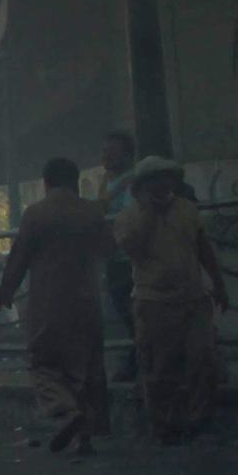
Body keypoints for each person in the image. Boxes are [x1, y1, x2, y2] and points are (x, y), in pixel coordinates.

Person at [0, 157, 112, 454]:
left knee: (42, 363)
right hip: (87, 300)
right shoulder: (92, 212)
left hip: (48, 303)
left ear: (46, 183)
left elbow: (18, 259)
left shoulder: (36, 214)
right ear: (76, 180)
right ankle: (86, 437)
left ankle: (66, 411)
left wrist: (3, 296)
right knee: (86, 367)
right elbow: (109, 249)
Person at [115, 158, 229, 445]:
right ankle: (164, 427)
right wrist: (150, 213)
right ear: (142, 187)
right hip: (152, 301)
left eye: (165, 179)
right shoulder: (129, 217)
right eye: (154, 180)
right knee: (159, 368)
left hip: (193, 298)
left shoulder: (187, 210)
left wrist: (219, 284)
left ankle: (199, 422)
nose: (162, 185)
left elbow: (203, 248)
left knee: (203, 359)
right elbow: (134, 248)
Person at [96, 131, 140, 384]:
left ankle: (136, 362)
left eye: (112, 152)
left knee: (134, 315)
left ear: (127, 154)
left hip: (128, 259)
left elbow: (128, 219)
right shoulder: (108, 182)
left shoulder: (132, 183)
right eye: (104, 152)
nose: (106, 157)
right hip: (114, 258)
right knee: (128, 315)